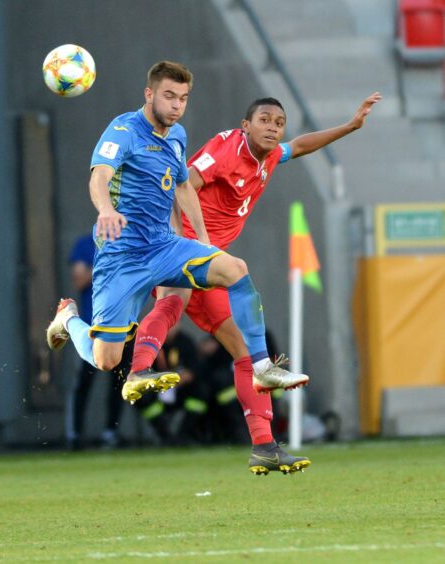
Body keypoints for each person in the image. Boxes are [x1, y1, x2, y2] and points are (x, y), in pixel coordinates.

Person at [46, 60, 308, 464]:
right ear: (149, 94)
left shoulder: (178, 135)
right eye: (169, 96)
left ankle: (261, 367)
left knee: (234, 268)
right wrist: (105, 210)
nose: (177, 106)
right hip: (121, 255)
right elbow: (99, 176)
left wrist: (202, 240)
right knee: (105, 359)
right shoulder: (122, 130)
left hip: (166, 245)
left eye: (183, 98)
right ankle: (69, 320)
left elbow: (183, 185)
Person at [128, 91, 382, 475]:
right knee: (180, 297)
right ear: (246, 125)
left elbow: (300, 146)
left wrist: (351, 126)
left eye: (278, 123)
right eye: (264, 120)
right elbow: (182, 188)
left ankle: (264, 446)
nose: (273, 128)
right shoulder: (227, 148)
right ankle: (139, 370)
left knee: (241, 352)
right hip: (186, 247)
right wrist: (185, 244)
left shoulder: (268, 158)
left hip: (209, 261)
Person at [65, 234, 128, 450]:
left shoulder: (130, 238)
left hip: (123, 325)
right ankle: (74, 435)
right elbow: (79, 279)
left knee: (119, 382)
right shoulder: (87, 243)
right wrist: (108, 266)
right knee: (83, 383)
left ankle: (111, 432)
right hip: (91, 327)